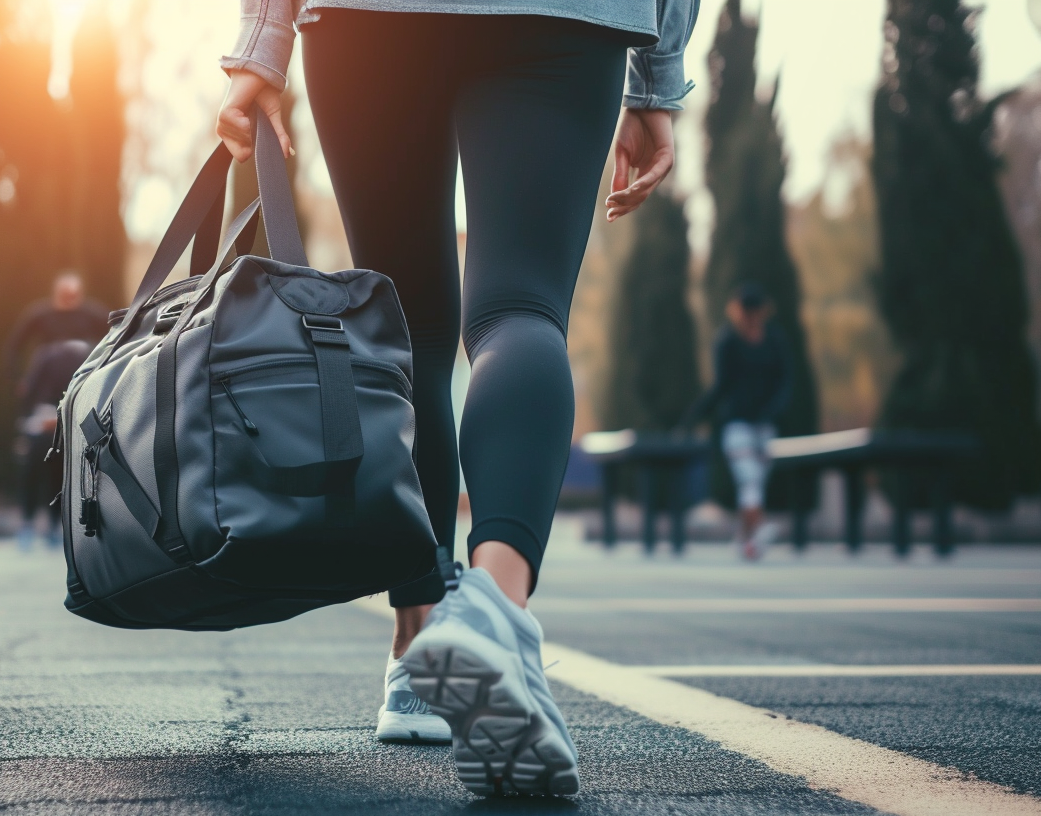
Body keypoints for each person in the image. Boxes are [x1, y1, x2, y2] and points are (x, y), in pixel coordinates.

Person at [216, 0, 698, 796]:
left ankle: (418, 646)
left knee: (409, 328)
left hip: (369, 19)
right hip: (564, 18)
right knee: (521, 310)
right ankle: (497, 607)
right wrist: (658, 75)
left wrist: (260, 45)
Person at [681, 282, 793, 561]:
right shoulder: (727, 341)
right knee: (749, 478)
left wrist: (774, 410)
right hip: (737, 424)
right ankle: (761, 528)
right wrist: (694, 417)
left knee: (753, 484)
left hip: (765, 425)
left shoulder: (775, 339)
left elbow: (785, 381)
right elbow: (720, 386)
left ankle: (745, 540)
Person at [17, 339, 92, 551]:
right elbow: (30, 393)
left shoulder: (86, 353)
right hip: (44, 422)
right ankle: (32, 525)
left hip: (69, 422)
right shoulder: (47, 355)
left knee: (57, 473)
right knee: (41, 467)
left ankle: (50, 526)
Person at [3, 271, 108, 390]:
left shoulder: (92, 313)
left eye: (72, 295)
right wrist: (16, 378)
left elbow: (115, 334)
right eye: (65, 294)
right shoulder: (39, 314)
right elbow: (15, 344)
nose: (69, 299)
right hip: (47, 379)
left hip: (82, 374)